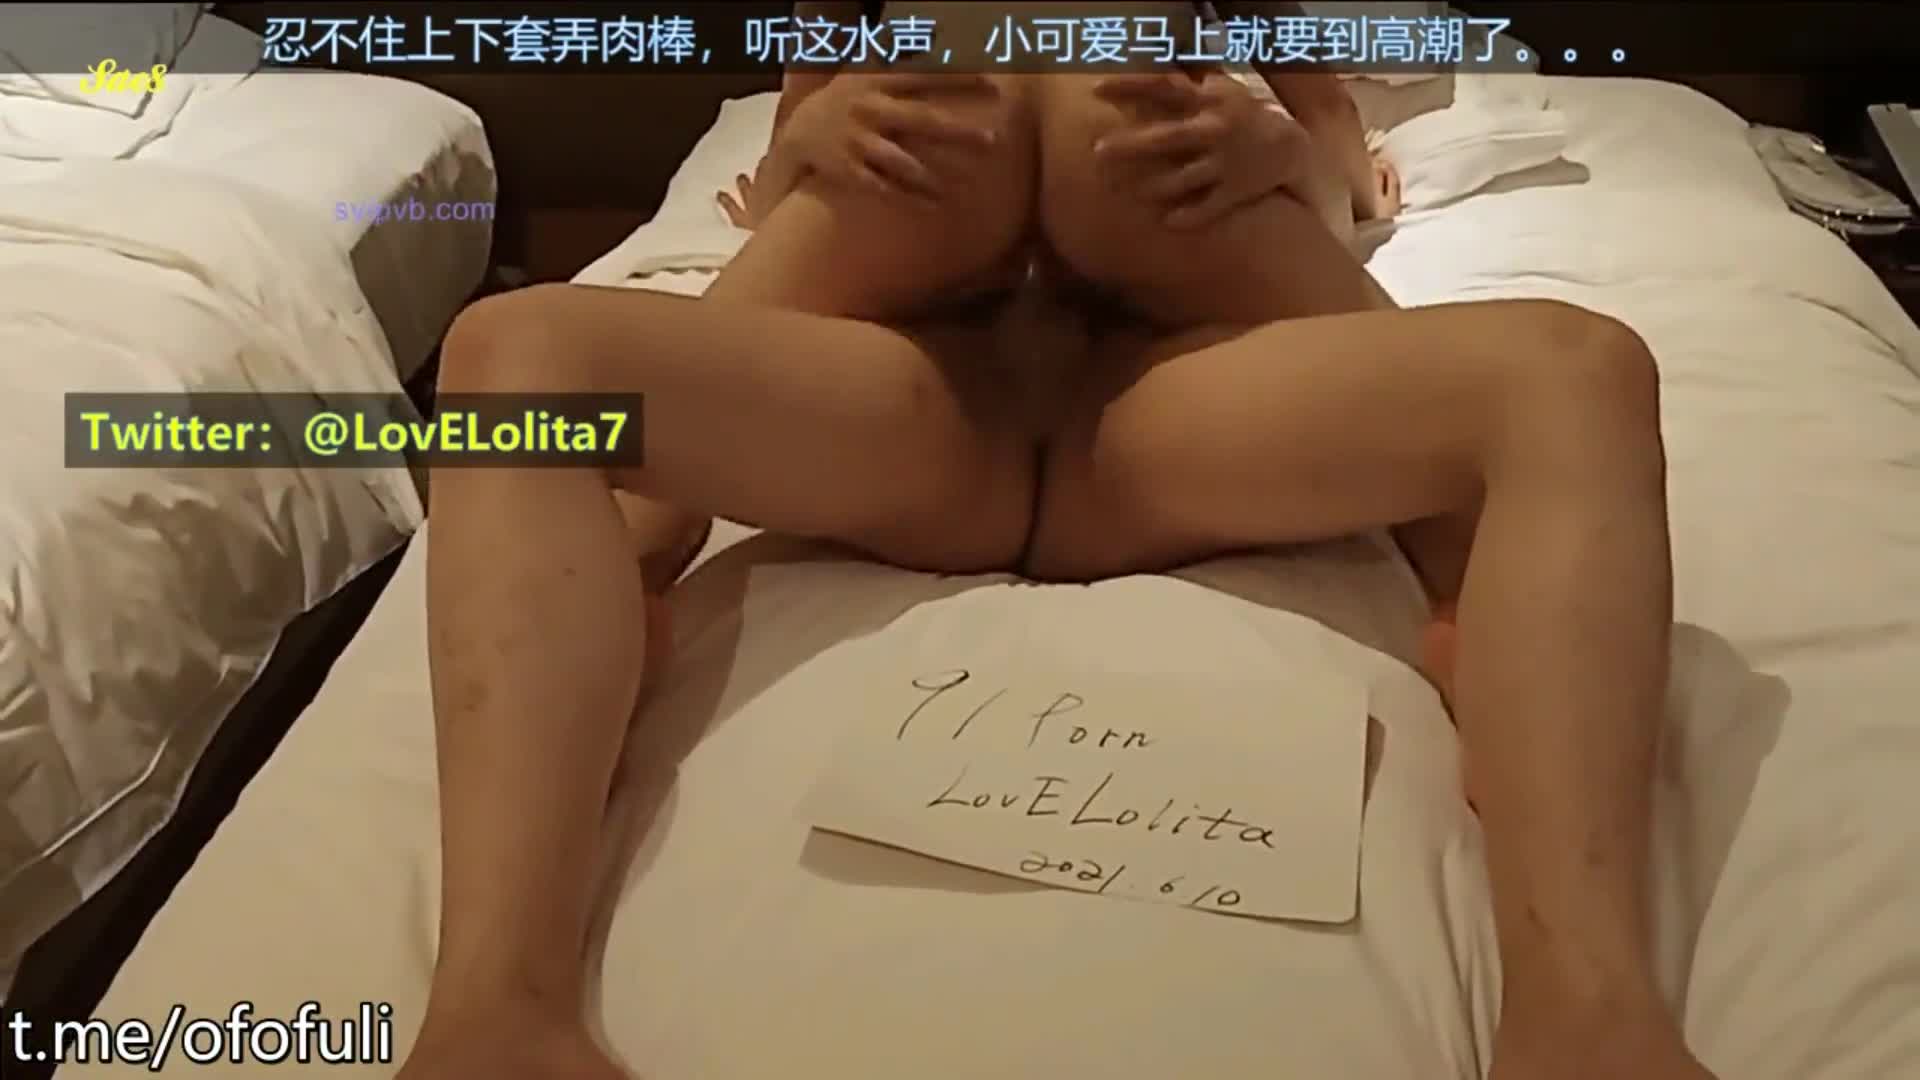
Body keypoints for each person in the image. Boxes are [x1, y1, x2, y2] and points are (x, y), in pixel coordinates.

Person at [397, 4, 1707, 1080]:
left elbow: (1343, 167)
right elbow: (786, 156)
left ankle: (1587, 1014)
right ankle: (497, 1005)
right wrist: (822, 142)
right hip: (927, 401)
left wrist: (1271, 155)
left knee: (1577, 374)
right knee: (514, 355)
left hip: (1156, 406)